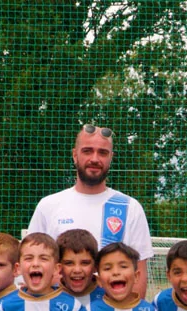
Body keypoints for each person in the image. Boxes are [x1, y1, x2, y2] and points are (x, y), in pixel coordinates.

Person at [28, 124, 154, 298]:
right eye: (87, 151)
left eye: (102, 153)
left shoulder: (129, 207)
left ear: (111, 158)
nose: (95, 159)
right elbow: (31, 264)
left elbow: (139, 274)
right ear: (75, 155)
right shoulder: (48, 206)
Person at [57, 229, 105, 308]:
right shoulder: (50, 297)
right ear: (58, 267)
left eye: (85, 263)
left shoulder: (108, 295)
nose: (77, 270)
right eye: (69, 263)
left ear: (96, 266)